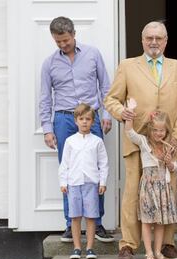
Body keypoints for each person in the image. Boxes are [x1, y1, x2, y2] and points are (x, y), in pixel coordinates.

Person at [104, 21, 177, 259]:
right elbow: (111, 99)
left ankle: (167, 244)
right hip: (137, 143)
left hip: (169, 144)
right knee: (133, 192)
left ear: (165, 41)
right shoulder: (127, 66)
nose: (154, 42)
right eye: (149, 38)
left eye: (158, 38)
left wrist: (175, 139)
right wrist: (122, 113)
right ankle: (128, 245)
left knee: (169, 193)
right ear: (142, 41)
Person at [39, 16, 114, 243]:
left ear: (73, 33)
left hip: (91, 117)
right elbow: (44, 98)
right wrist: (47, 129)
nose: (62, 45)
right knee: (70, 172)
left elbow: (106, 87)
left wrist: (107, 114)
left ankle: (97, 223)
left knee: (95, 168)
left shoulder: (93, 54)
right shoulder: (49, 63)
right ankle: (69, 224)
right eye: (57, 41)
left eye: (65, 40)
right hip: (63, 120)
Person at [124, 103, 177, 259]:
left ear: (166, 131)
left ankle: (157, 251)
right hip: (148, 185)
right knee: (147, 221)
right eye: (155, 130)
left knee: (160, 221)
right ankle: (148, 253)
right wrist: (131, 112)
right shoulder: (144, 142)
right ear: (150, 130)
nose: (158, 133)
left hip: (163, 186)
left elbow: (174, 167)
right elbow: (130, 133)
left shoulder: (168, 147)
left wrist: (169, 163)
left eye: (161, 130)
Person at [58, 103, 109, 259]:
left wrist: (102, 182)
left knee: (91, 216)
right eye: (81, 119)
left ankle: (90, 247)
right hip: (74, 183)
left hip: (91, 184)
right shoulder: (70, 141)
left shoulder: (97, 141)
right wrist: (63, 182)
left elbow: (103, 163)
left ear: (93, 121)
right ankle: (77, 247)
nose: (85, 122)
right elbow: (64, 163)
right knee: (75, 216)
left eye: (88, 119)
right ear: (76, 121)